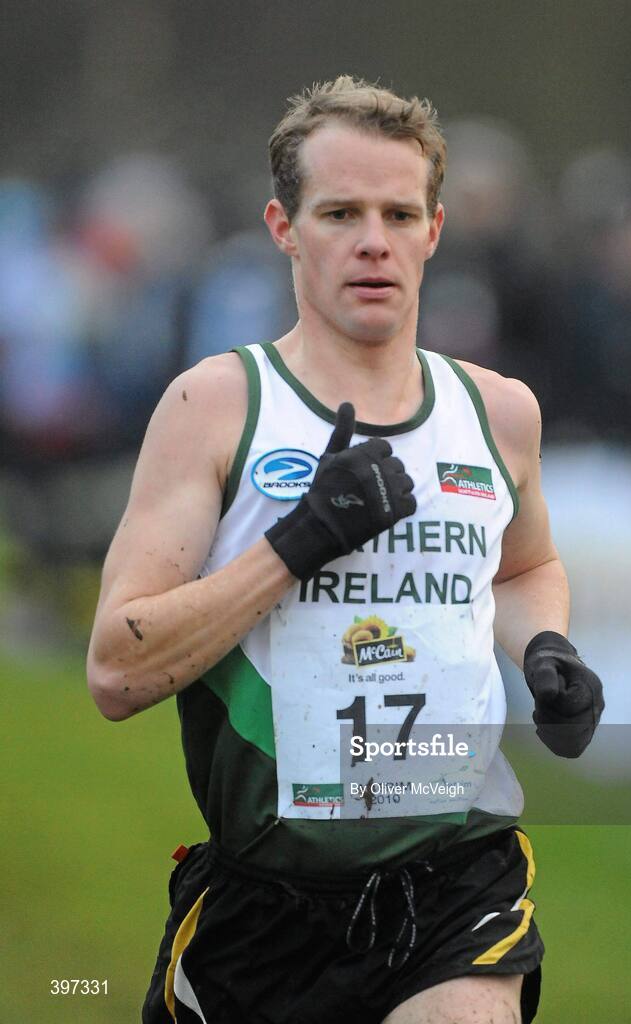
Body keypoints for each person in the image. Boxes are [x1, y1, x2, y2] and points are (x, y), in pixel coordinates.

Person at [87, 76, 604, 1024]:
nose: (374, 241)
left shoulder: (499, 412)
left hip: (458, 880)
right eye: (340, 213)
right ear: (285, 228)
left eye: (399, 214)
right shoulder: (216, 406)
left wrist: (546, 649)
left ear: (434, 230)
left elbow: (525, 567)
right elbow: (118, 669)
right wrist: (295, 545)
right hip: (265, 906)